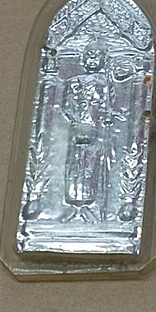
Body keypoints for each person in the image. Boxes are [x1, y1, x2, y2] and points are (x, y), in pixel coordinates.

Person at [61, 41, 111, 222]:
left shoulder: (105, 83)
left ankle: (88, 206)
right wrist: (78, 123)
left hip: (97, 133)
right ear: (83, 59)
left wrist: (104, 120)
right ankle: (73, 206)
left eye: (97, 56)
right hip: (78, 131)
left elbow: (108, 107)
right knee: (74, 166)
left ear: (104, 60)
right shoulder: (73, 82)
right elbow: (66, 105)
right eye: (89, 55)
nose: (93, 59)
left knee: (92, 166)